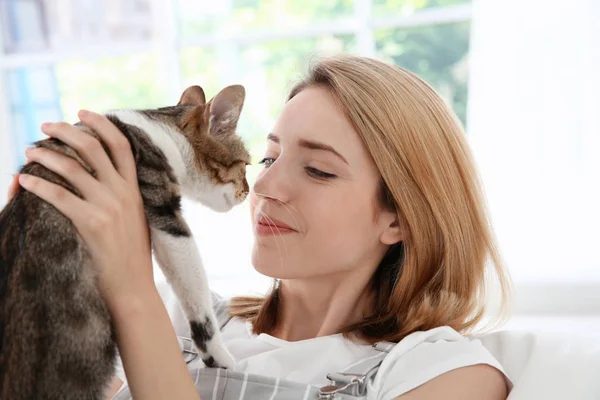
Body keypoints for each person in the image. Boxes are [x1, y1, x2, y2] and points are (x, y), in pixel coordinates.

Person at [6, 55, 512, 399]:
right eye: (267, 159)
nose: (266, 187)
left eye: (318, 170)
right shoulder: (186, 323)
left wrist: (131, 288)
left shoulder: (442, 372)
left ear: (399, 218)